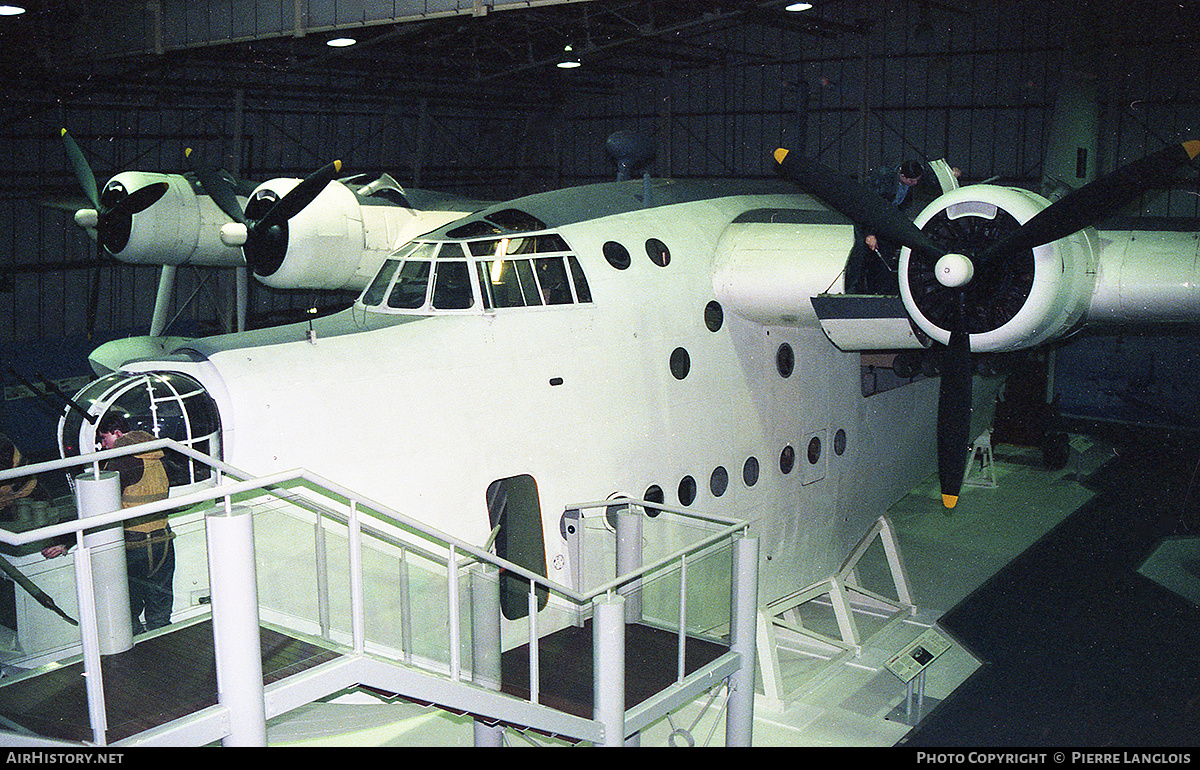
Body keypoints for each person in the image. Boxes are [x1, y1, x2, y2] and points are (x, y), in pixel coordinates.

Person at [42, 413, 175, 633]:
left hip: (133, 546)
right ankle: (162, 655)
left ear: (118, 433)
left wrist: (65, 541)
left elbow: (96, 508)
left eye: (104, 438)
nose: (103, 446)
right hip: (163, 542)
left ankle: (138, 659)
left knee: (125, 611)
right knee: (160, 610)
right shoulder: (159, 453)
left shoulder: (123, 461)